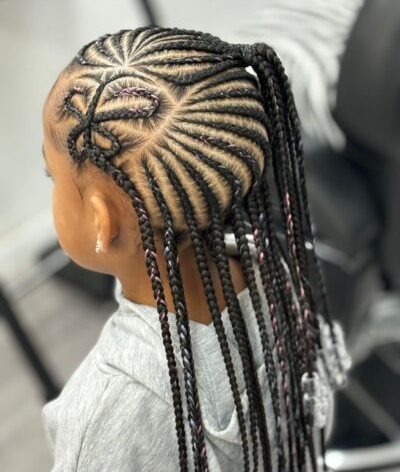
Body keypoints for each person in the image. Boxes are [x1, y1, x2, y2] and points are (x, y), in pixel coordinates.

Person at [41, 27, 349, 472]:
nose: (52, 187)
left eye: (52, 176)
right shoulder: (273, 274)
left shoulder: (103, 412)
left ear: (101, 221)